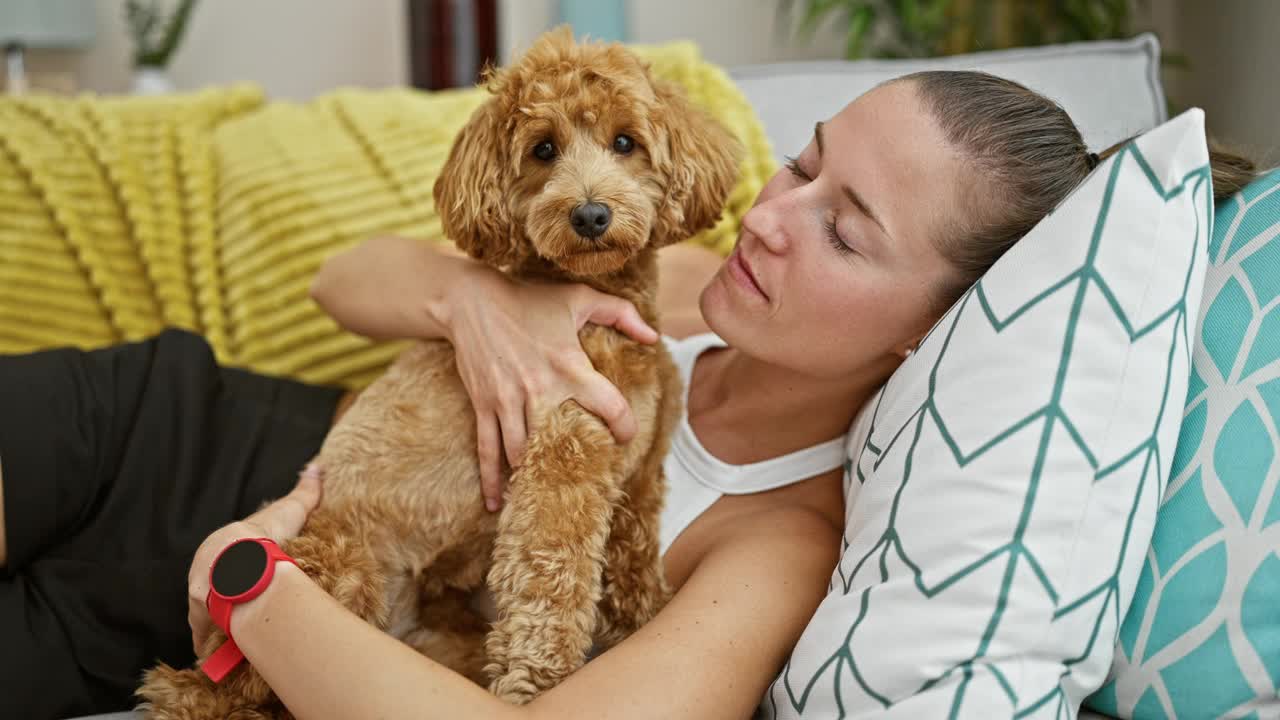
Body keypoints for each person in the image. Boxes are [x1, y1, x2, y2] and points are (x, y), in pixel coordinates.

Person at [0, 71, 1256, 720]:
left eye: (846, 230)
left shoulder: (775, 546)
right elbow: (344, 280)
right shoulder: (691, 285)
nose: (769, 216)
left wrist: (250, 589)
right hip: (156, 428)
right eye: (804, 164)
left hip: (229, 615)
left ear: (931, 340)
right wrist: (473, 300)